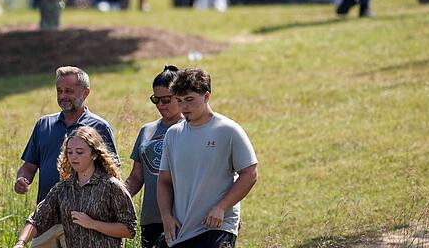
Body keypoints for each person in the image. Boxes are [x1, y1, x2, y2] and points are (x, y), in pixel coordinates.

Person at [14, 66, 118, 247]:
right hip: (46, 217)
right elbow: (29, 166)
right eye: (59, 91)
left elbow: (111, 173)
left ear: (86, 93)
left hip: (84, 220)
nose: (63, 96)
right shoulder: (43, 125)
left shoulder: (99, 127)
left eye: (69, 91)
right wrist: (22, 179)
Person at [157, 68, 258, 248]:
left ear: (206, 96)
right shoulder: (173, 135)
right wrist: (166, 217)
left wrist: (221, 207)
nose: (184, 107)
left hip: (217, 228)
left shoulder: (228, 130)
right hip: (181, 230)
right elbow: (164, 181)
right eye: (179, 101)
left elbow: (250, 173)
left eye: (189, 100)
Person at [13, 126, 136, 248]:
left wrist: (93, 224)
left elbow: (129, 229)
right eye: (70, 152)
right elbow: (37, 219)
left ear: (94, 154)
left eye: (80, 152)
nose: (73, 157)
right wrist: (21, 243)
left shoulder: (111, 186)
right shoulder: (63, 188)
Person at [124, 66, 183, 248]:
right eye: (156, 99)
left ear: (180, 95)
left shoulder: (192, 128)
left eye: (166, 99)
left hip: (183, 218)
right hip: (151, 219)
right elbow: (136, 177)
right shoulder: (147, 130)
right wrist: (117, 195)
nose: (160, 105)